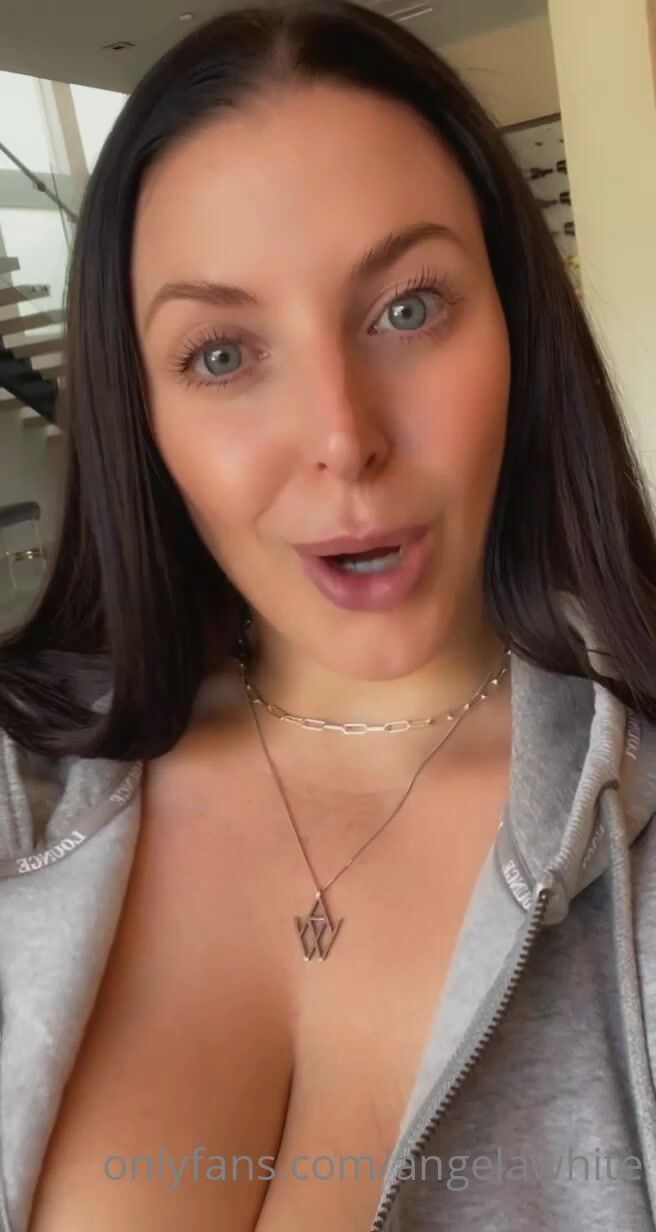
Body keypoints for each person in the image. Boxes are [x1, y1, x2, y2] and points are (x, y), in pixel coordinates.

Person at [1, 1, 655, 1228]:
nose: (343, 437)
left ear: (517, 325)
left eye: (406, 308)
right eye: (221, 354)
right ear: (142, 415)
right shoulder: (20, 782)